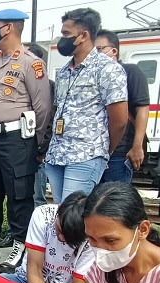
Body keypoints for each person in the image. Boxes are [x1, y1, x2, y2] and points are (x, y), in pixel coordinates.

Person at [0, 8, 52, 272]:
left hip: (17, 139)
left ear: (8, 28)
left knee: (19, 194)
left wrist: (36, 142)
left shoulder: (31, 63)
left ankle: (20, 244)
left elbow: (43, 108)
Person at [46, 8, 128, 204]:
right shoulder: (64, 71)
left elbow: (119, 120)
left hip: (86, 154)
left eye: (66, 34)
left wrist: (104, 152)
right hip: (57, 154)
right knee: (61, 214)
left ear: (84, 35)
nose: (62, 39)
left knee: (71, 216)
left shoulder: (108, 68)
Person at [0, 191, 93, 283]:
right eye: (59, 230)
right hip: (26, 282)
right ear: (59, 210)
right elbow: (34, 268)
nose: (61, 238)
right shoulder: (42, 215)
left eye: (67, 238)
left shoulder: (92, 236)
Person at [96, 29, 150, 184]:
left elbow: (142, 109)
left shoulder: (130, 71)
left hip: (120, 152)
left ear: (114, 51)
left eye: (99, 49)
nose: (95, 54)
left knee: (113, 202)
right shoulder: (92, 75)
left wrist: (137, 146)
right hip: (94, 152)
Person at [26, 43, 55, 210]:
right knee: (17, 196)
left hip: (37, 153)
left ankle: (37, 234)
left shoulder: (48, 86)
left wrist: (40, 149)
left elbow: (49, 121)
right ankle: (14, 234)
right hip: (19, 150)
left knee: (37, 197)